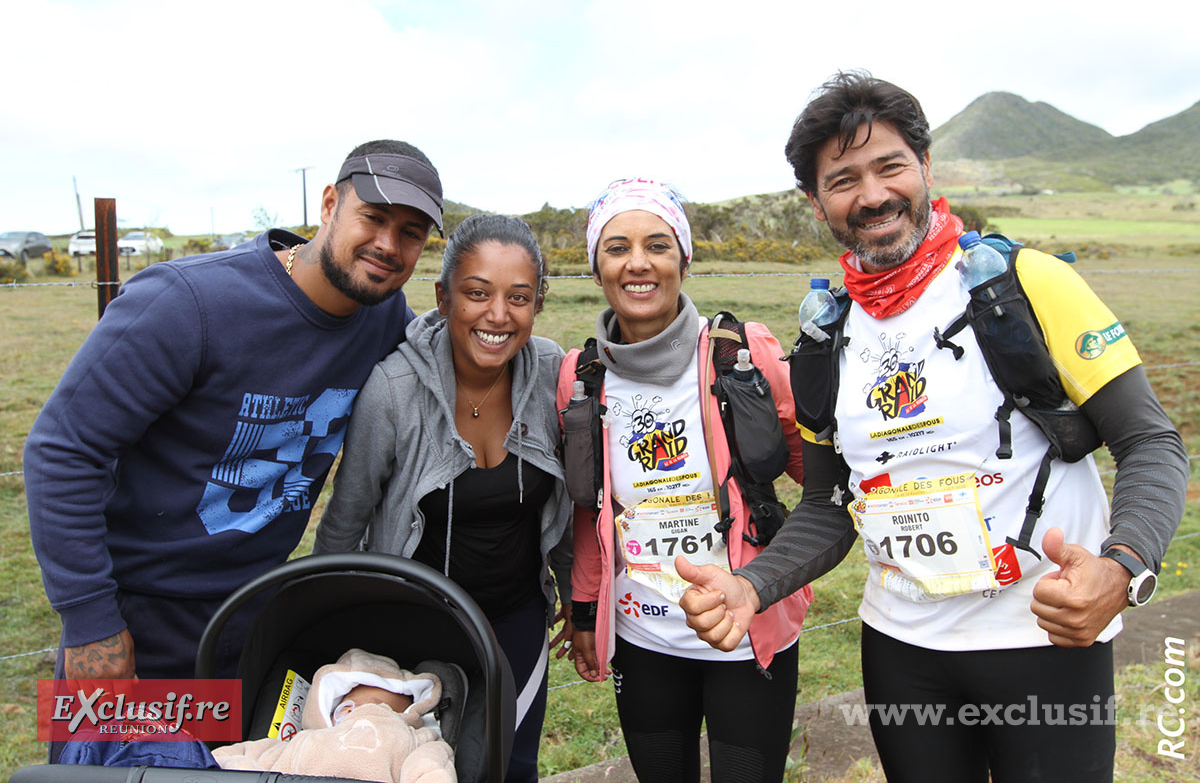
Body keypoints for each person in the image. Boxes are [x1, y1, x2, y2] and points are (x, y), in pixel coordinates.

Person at [677, 72, 1189, 783]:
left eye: (890, 166)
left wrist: (1123, 565)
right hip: (902, 652)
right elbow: (828, 508)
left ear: (925, 167)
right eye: (844, 179)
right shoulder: (824, 341)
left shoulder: (1025, 284)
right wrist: (751, 585)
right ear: (815, 201)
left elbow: (1150, 441)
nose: (874, 194)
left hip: (1043, 640)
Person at [24, 139, 443, 692]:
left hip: (258, 611)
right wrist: (89, 621)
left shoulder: (383, 317)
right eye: (373, 216)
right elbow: (62, 449)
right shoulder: (187, 302)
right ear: (328, 205)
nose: (388, 244)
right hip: (137, 615)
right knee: (124, 773)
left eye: (411, 232)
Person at [560, 178, 814, 782]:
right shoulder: (580, 375)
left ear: (685, 259)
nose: (638, 263)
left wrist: (772, 577)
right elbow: (589, 510)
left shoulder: (743, 354)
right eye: (617, 248)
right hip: (641, 636)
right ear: (597, 269)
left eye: (657, 245)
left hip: (747, 627)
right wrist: (585, 608)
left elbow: (820, 483)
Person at [313, 214, 572, 783]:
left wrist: (580, 596)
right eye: (477, 293)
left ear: (538, 304)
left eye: (519, 298)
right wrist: (330, 629)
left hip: (515, 620)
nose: (498, 315)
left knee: (510, 764)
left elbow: (578, 501)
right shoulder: (394, 390)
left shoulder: (555, 375)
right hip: (410, 619)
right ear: (443, 296)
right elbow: (347, 518)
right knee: (418, 767)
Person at [213, 648, 456, 783]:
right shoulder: (302, 740)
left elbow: (429, 767)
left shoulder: (414, 738)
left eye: (393, 710)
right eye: (374, 703)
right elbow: (243, 756)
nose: (381, 711)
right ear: (342, 710)